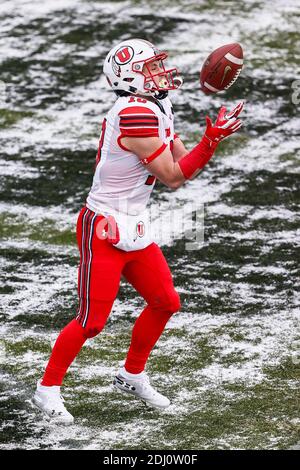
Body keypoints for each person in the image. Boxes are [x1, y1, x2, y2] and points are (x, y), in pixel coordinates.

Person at [33, 38, 244, 424]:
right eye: (149, 67)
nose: (160, 72)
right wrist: (211, 140)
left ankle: (131, 375)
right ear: (131, 77)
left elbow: (183, 162)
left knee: (166, 302)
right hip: (104, 226)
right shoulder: (133, 113)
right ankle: (46, 389)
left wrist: (210, 140)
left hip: (133, 222)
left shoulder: (156, 104)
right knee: (91, 321)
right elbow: (174, 177)